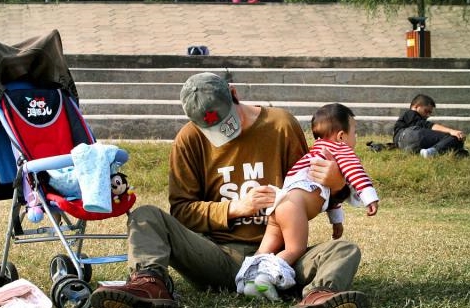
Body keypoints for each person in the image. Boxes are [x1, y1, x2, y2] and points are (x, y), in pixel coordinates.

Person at [89, 72, 369, 308]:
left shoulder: (280, 125)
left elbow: (305, 193)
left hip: (279, 261)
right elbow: (182, 210)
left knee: (344, 250)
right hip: (217, 256)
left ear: (234, 93)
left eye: (225, 122)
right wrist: (235, 208)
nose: (222, 132)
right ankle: (149, 285)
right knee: (146, 215)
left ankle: (319, 296)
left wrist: (337, 185)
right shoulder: (189, 139)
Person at [236, 103, 379, 301]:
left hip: (280, 203)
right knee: (295, 249)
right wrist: (369, 196)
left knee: (265, 249)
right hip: (295, 207)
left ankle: (247, 282)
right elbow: (355, 171)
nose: (355, 138)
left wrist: (336, 220)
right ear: (340, 136)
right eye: (354, 132)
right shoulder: (341, 149)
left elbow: (327, 193)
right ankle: (265, 278)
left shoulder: (314, 153)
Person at [393, 94, 468, 158]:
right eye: (426, 111)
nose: (428, 115)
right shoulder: (411, 113)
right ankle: (431, 153)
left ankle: (427, 152)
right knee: (454, 137)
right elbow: (427, 125)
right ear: (416, 106)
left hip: (403, 145)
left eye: (430, 113)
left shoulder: (405, 120)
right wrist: (451, 131)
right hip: (410, 134)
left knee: (457, 147)